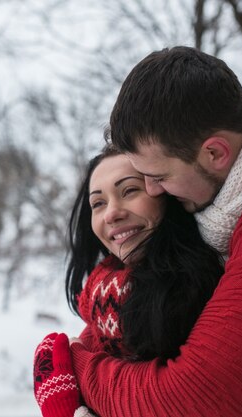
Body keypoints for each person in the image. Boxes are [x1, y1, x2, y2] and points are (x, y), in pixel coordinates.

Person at [46, 46, 242, 416]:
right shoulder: (237, 202)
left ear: (215, 153)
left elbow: (192, 404)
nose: (155, 192)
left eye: (158, 177)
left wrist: (75, 364)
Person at [33, 145, 224, 417]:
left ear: (167, 194)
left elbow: (184, 400)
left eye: (130, 190)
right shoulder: (101, 301)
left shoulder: (209, 284)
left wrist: (77, 368)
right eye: (98, 203)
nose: (111, 213)